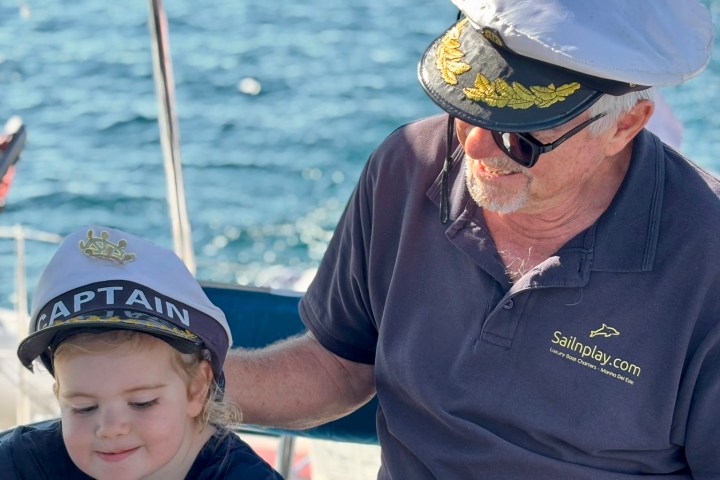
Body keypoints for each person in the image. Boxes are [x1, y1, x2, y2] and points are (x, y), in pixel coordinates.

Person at [222, 0, 720, 478]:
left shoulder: (707, 261)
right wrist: (190, 385)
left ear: (625, 126)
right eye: (467, 105)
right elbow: (340, 365)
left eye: (521, 132)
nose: (474, 145)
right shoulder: (407, 163)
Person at [0, 225, 283, 479]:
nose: (111, 428)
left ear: (197, 389)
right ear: (59, 396)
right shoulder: (24, 464)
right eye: (83, 407)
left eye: (142, 402)